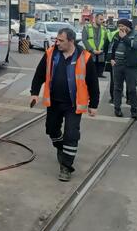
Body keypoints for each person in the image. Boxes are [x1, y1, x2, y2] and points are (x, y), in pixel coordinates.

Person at [30, 27, 100, 182]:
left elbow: (93, 83)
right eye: (56, 39)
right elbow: (39, 74)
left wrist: (93, 104)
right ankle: (61, 148)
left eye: (61, 40)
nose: (57, 42)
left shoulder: (85, 57)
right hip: (54, 101)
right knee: (52, 130)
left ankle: (66, 167)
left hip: (73, 104)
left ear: (71, 41)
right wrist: (34, 92)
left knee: (71, 134)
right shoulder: (50, 54)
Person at [109, 18, 137, 118]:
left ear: (128, 27)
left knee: (132, 89)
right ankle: (117, 108)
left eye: (122, 26)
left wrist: (124, 38)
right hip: (118, 65)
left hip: (131, 66)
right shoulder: (117, 35)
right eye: (119, 26)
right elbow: (112, 47)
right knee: (117, 88)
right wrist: (111, 59)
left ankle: (134, 110)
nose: (120, 28)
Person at [82, 13, 109, 78]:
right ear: (95, 19)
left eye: (103, 19)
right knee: (90, 69)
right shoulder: (87, 28)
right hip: (90, 52)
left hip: (100, 52)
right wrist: (92, 50)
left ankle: (100, 73)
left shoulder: (104, 29)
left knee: (100, 64)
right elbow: (84, 40)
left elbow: (105, 40)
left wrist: (102, 50)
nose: (102, 21)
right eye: (100, 19)